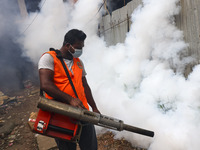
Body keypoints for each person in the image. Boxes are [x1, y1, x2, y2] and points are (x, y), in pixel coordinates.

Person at [38, 29, 100, 150]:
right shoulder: (49, 58)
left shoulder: (79, 62)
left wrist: (94, 107)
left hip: (83, 112)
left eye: (82, 47)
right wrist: (70, 99)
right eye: (78, 47)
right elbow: (45, 84)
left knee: (91, 147)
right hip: (62, 115)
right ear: (67, 45)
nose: (80, 51)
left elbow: (85, 86)